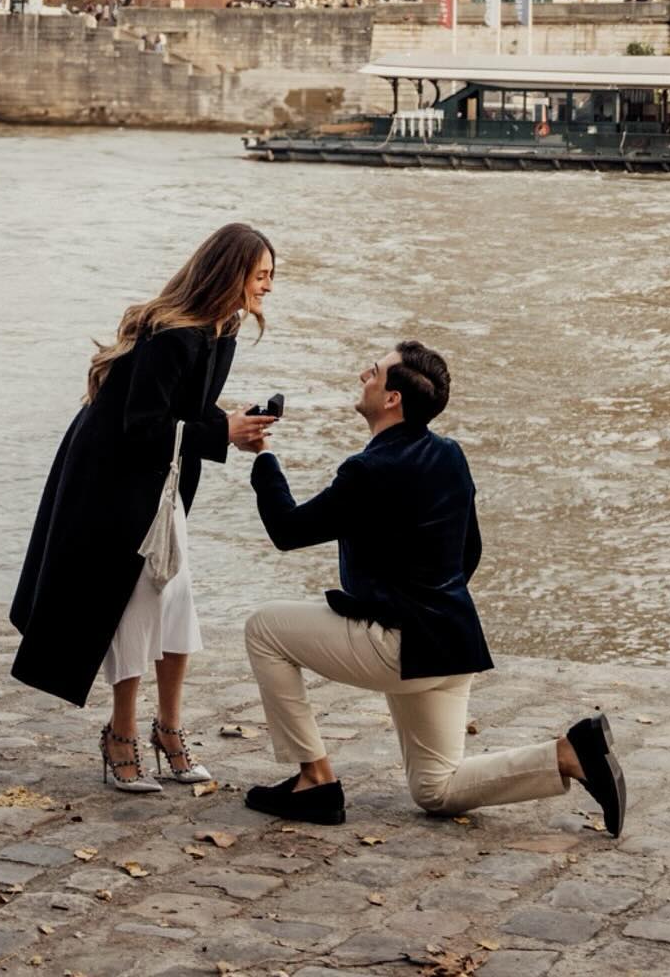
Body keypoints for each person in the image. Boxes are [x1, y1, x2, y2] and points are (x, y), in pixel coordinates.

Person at [238, 342, 625, 835]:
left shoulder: (368, 470)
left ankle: (314, 780)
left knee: (263, 627)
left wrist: (263, 456)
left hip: (400, 644)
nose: (363, 374)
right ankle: (570, 754)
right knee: (435, 791)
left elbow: (288, 531)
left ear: (392, 398)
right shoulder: (450, 455)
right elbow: (470, 554)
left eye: (373, 372)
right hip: (452, 643)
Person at [10, 223, 277, 793]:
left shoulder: (218, 330)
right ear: (230, 274)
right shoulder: (171, 335)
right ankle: (121, 735)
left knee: (176, 605)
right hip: (112, 482)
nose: (268, 288)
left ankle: (169, 730)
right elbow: (140, 429)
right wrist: (220, 432)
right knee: (135, 606)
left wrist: (233, 429)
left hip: (156, 484)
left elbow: (188, 412)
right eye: (262, 276)